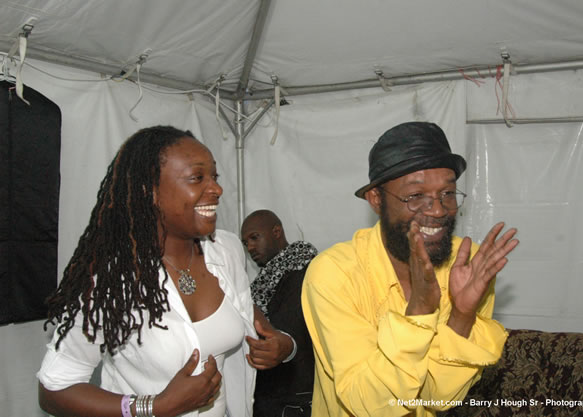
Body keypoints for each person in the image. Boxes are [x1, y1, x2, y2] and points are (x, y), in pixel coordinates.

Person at [301, 121, 519, 417]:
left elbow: (438, 397)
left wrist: (462, 315)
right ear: (376, 200)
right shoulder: (335, 274)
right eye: (416, 196)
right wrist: (418, 312)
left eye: (448, 193)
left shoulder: (467, 266)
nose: (439, 209)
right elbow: (368, 405)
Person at [37, 126, 256, 417]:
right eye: (197, 178)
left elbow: (244, 317)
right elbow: (54, 390)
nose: (216, 189)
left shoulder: (227, 249)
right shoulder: (108, 281)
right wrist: (154, 406)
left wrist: (283, 345)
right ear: (150, 191)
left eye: (214, 177)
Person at [240, 209, 317, 417]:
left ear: (276, 232)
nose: (250, 247)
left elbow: (285, 332)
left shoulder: (302, 272)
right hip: (273, 396)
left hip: (294, 399)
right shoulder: (265, 283)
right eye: (245, 243)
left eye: (254, 237)